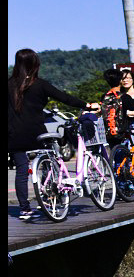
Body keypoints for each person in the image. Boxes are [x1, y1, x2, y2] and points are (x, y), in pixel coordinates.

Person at [7, 48, 98, 220]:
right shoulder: (40, 84)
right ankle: (50, 198)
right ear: (35, 64)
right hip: (36, 133)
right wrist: (87, 105)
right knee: (49, 163)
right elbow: (65, 98)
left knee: (21, 171)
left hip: (14, 136)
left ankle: (24, 209)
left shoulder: (9, 84)